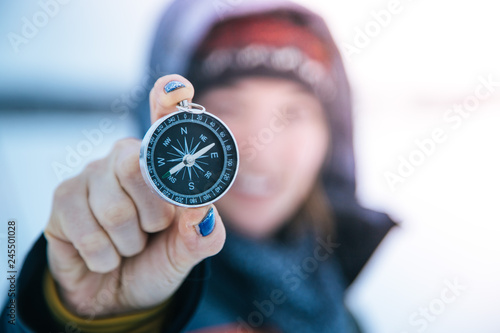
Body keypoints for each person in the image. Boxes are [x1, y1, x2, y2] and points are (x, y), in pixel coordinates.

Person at [2, 0, 395, 332]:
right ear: (169, 130)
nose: (260, 147)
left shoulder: (337, 304)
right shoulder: (139, 278)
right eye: (228, 108)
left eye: (293, 113)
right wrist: (74, 313)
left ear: (332, 136)